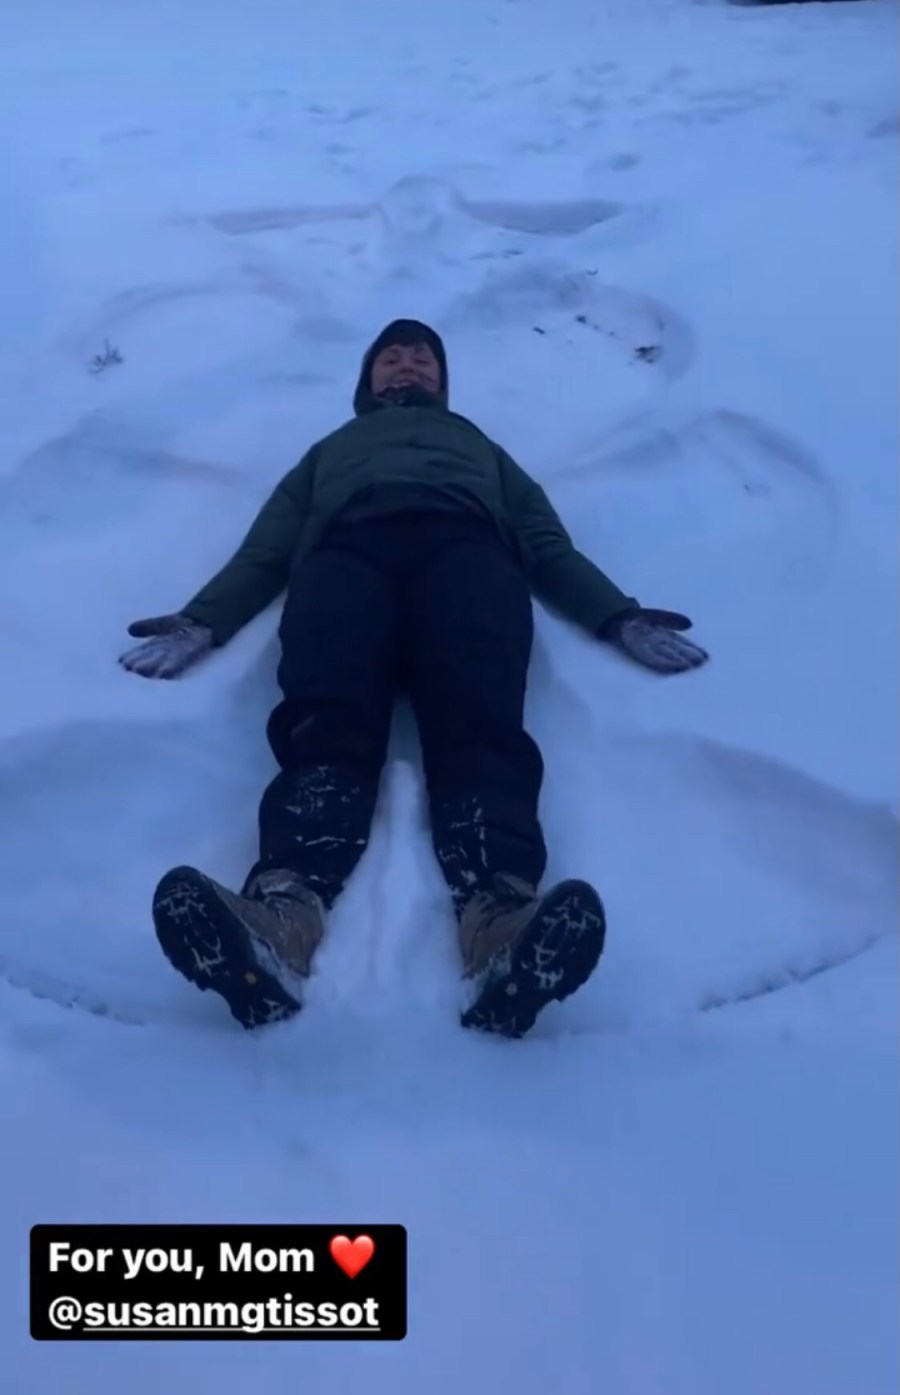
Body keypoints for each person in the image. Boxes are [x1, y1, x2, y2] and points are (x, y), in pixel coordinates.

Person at [121, 319, 708, 1037]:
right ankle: (280, 919)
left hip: (466, 553)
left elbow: (547, 544)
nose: (407, 366)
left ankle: (500, 923)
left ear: (442, 379)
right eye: (392, 357)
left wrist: (616, 615)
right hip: (346, 556)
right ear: (367, 381)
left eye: (423, 357)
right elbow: (267, 547)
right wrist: (203, 620)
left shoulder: (481, 447)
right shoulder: (331, 450)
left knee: (480, 720)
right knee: (324, 720)